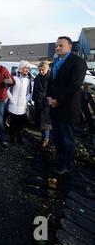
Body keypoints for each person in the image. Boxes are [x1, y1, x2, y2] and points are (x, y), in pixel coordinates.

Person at [46, 36, 87, 175]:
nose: (57, 48)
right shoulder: (56, 61)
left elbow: (74, 86)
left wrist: (58, 101)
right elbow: (51, 82)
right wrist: (48, 97)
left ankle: (67, 165)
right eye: (56, 45)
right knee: (57, 137)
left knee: (67, 139)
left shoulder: (78, 62)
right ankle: (60, 159)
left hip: (67, 108)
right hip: (54, 107)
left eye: (60, 45)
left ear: (69, 46)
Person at [7, 61, 32, 145]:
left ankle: (19, 138)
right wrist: (11, 98)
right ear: (21, 69)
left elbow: (29, 92)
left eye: (28, 68)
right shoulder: (14, 78)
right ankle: (12, 138)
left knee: (20, 124)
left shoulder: (28, 80)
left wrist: (26, 99)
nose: (27, 70)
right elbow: (6, 89)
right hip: (13, 105)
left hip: (22, 106)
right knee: (13, 123)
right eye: (25, 68)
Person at [33, 61, 52, 147]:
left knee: (46, 123)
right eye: (39, 70)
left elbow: (52, 90)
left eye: (42, 70)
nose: (41, 71)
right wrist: (34, 99)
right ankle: (43, 137)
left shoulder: (51, 77)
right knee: (39, 121)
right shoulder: (37, 77)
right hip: (38, 102)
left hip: (46, 103)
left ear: (47, 69)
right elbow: (34, 89)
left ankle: (46, 139)